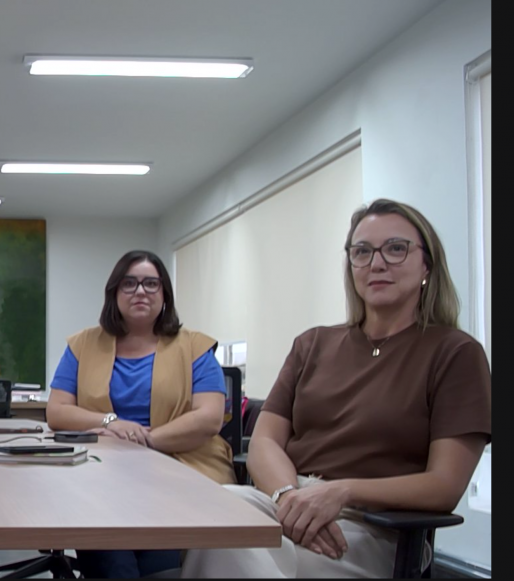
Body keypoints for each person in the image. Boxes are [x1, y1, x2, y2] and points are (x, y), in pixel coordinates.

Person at [182, 199, 491, 578]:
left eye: (396, 249)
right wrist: (291, 498)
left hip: (371, 527)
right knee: (216, 508)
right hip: (286, 502)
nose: (377, 263)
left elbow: (444, 485)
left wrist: (340, 492)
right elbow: (264, 443)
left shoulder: (455, 353)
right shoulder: (312, 344)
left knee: (233, 553)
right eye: (362, 251)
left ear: (427, 264)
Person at [46, 249, 233, 578]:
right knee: (106, 539)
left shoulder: (195, 347)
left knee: (155, 557)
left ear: (164, 293)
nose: (140, 291)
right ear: (114, 293)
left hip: (181, 466)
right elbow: (57, 411)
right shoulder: (82, 345)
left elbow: (209, 418)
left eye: (151, 283)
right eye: (129, 283)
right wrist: (111, 422)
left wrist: (143, 443)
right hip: (102, 470)